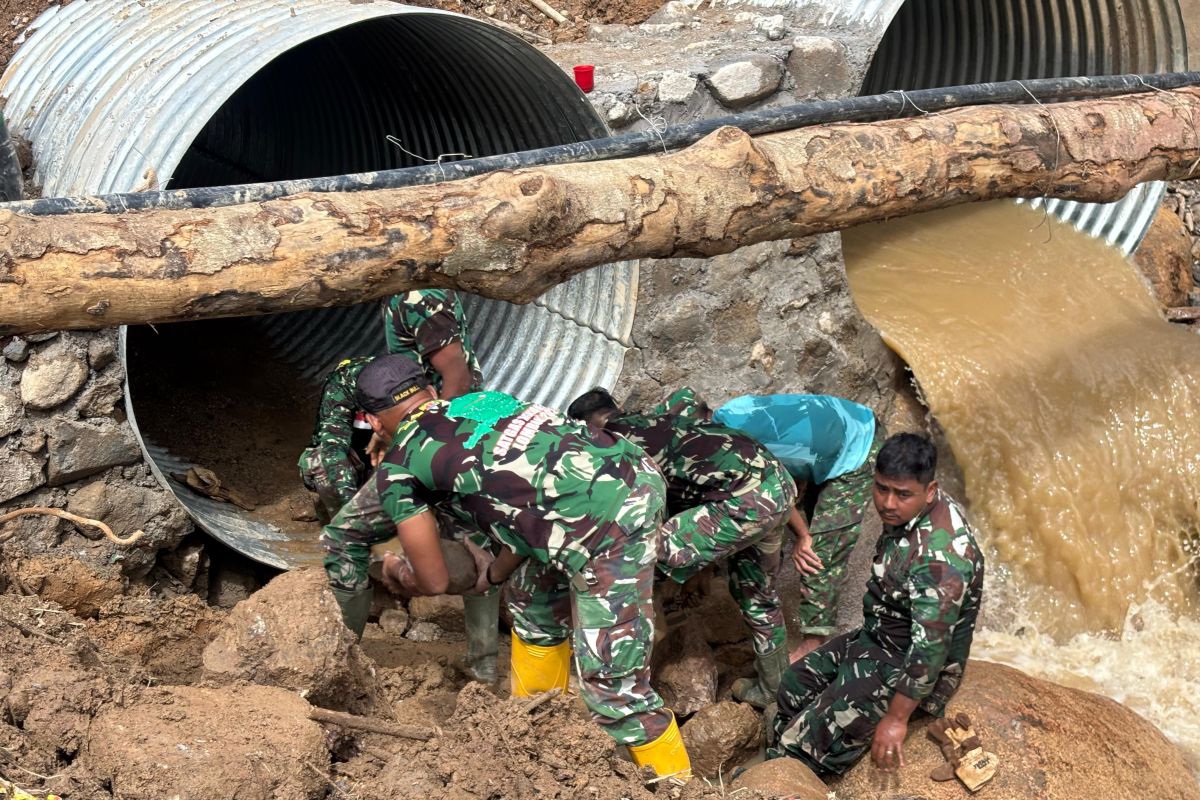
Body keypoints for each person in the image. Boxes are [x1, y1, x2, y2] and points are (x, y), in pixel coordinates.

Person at [323, 355, 691, 780]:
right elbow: (526, 505)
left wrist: (397, 572)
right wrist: (494, 574)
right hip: (631, 467)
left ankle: (680, 787)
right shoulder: (484, 402)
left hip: (611, 522)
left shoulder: (400, 465)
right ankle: (537, 731)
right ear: (427, 390)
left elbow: (435, 578)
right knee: (532, 606)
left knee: (614, 692)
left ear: (371, 420)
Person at [567, 386, 815, 709]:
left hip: (748, 501)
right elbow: (688, 397)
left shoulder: (617, 448)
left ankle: (629, 678)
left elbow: (638, 520)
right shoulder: (652, 419)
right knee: (756, 591)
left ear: (592, 427)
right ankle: (774, 690)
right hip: (779, 486)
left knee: (640, 556)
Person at [768, 432, 984, 777]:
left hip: (908, 660)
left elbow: (929, 652)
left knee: (810, 743)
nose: (888, 503)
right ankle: (779, 751)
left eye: (902, 494)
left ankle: (795, 770)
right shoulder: (909, 514)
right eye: (882, 488)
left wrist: (897, 719)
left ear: (930, 490)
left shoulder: (941, 559)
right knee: (795, 684)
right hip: (879, 636)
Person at [713, 393, 885, 660]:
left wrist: (804, 536)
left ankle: (813, 647)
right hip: (829, 430)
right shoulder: (725, 414)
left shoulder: (741, 452)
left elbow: (778, 492)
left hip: (856, 443)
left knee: (819, 552)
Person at [298, 356, 377, 524]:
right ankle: (344, 524)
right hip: (358, 465)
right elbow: (332, 448)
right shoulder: (345, 381)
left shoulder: (416, 382)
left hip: (390, 465)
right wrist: (352, 511)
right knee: (319, 462)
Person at [382, 289, 482, 401]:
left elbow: (458, 378)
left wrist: (441, 417)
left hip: (447, 409)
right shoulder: (399, 293)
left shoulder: (416, 297)